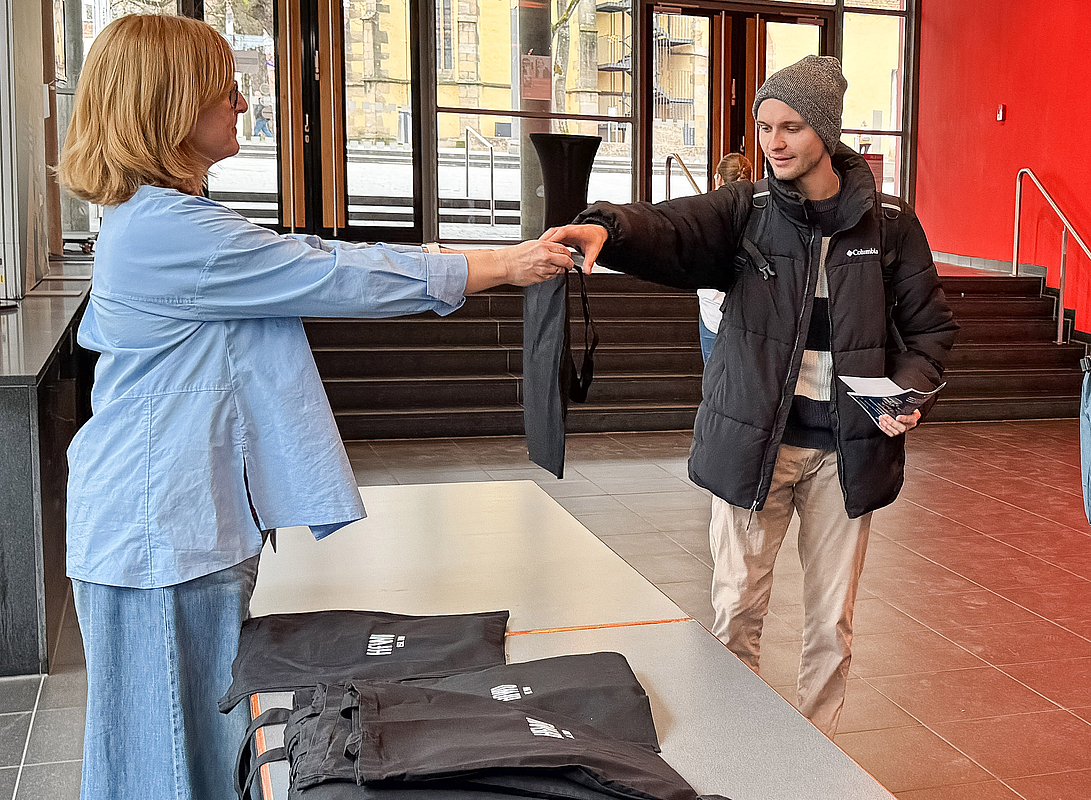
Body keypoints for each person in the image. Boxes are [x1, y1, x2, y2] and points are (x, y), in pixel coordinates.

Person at [56, 14, 571, 800]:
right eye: (220, 86)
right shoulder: (169, 232)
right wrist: (505, 263)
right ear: (166, 104)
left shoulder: (164, 223)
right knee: (163, 766)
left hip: (174, 528)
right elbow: (330, 271)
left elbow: (313, 262)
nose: (239, 98)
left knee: (187, 754)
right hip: (159, 536)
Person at [542, 55, 958, 736]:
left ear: (824, 129)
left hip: (846, 455)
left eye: (790, 126)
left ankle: (817, 751)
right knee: (735, 608)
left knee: (831, 622)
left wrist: (906, 394)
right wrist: (606, 229)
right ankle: (735, 743)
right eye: (764, 127)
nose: (774, 142)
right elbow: (671, 227)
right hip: (754, 447)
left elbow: (929, 329)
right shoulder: (746, 211)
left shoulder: (888, 224)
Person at [698, 153, 753, 363]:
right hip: (749, 307)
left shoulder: (707, 213)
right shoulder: (761, 210)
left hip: (713, 307)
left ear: (718, 180)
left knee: (713, 375)